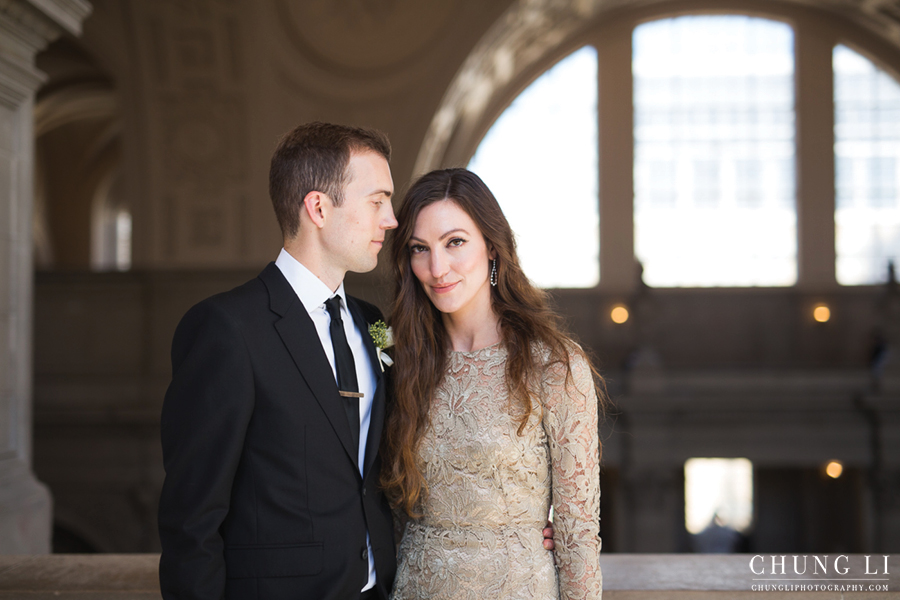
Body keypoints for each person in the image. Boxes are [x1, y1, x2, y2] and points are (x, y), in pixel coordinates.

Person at [158, 122, 399, 600]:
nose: (390, 219)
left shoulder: (376, 325)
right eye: (377, 201)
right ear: (318, 208)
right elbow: (192, 518)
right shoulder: (225, 328)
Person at [382, 168, 604, 599]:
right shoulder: (394, 353)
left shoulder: (554, 363)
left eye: (455, 242)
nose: (437, 267)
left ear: (493, 249)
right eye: (419, 249)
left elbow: (578, 532)